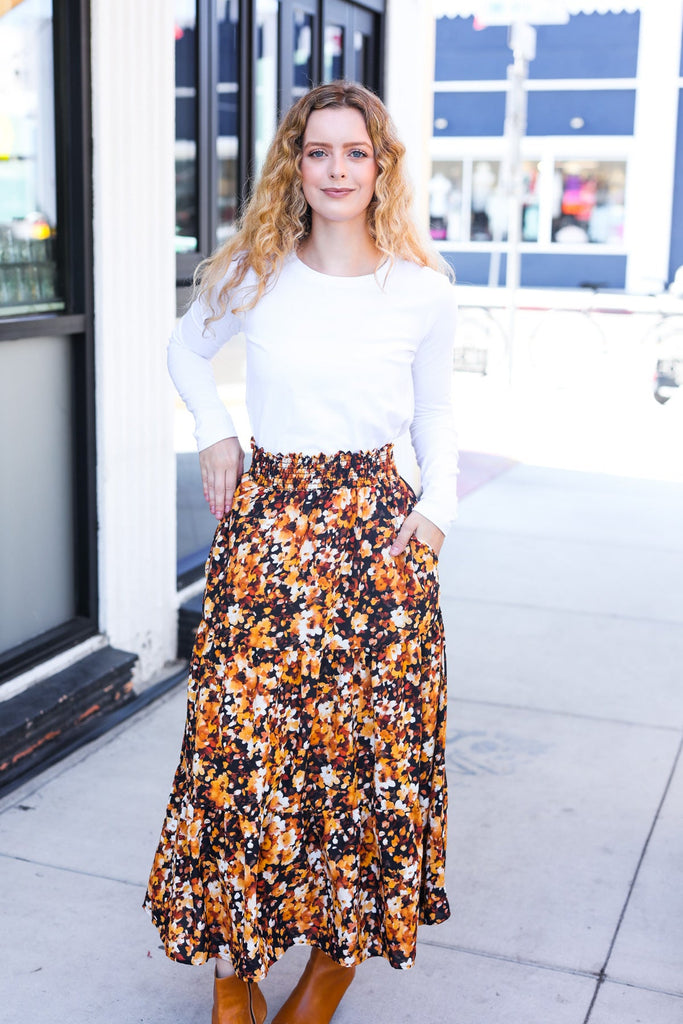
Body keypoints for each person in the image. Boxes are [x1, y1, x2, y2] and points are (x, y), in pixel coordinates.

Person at [144, 81, 458, 1024]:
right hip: (269, 531)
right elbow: (183, 349)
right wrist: (214, 429)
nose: (334, 169)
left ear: (380, 168)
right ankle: (231, 967)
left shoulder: (422, 292)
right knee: (242, 750)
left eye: (353, 153)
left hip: (378, 538)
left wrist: (434, 519)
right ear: (296, 162)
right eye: (317, 151)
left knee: (367, 756)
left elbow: (439, 420)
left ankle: (332, 961)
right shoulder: (257, 272)